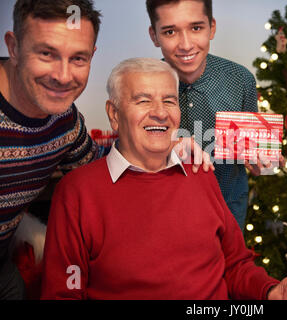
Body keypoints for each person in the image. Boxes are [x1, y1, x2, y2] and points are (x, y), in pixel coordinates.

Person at [40, 57, 287, 300]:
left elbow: (235, 264)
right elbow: (63, 294)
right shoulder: (77, 192)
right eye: (143, 100)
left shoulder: (200, 174)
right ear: (114, 114)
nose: (160, 112)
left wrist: (271, 290)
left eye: (169, 100)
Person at [0, 0, 211, 300]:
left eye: (78, 58)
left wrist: (160, 147)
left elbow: (102, 166)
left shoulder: (65, 122)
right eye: (46, 53)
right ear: (14, 46)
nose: (62, 76)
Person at [146, 0, 278, 230]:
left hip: (227, 209)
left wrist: (262, 161)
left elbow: (252, 151)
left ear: (212, 27)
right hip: (163, 212)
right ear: (154, 36)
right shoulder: (144, 84)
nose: (185, 45)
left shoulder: (240, 80)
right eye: (170, 31)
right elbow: (132, 152)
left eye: (196, 28)